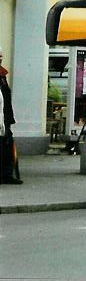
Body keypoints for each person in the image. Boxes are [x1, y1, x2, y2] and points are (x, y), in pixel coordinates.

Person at [0, 46, 23, 184]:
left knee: (7, 147)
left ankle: (7, 175)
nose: (1, 58)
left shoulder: (2, 75)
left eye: (1, 56)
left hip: (4, 117)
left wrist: (8, 118)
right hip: (1, 117)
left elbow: (5, 99)